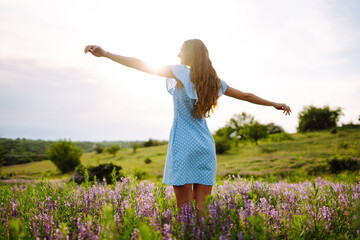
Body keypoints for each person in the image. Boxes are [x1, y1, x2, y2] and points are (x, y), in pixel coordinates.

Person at [84, 39, 291, 213]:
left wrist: (107, 54)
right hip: (205, 146)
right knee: (202, 212)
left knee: (185, 212)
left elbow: (140, 64)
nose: (178, 54)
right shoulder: (214, 81)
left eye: (181, 51)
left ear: (189, 55)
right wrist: (274, 103)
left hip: (183, 145)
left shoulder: (181, 72)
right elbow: (246, 96)